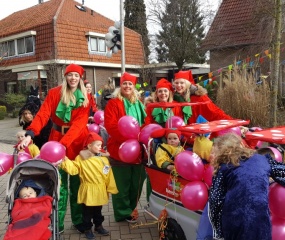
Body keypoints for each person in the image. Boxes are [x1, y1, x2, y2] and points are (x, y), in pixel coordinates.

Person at [17, 63, 91, 233]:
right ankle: (58, 223)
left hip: (77, 142)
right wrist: (30, 133)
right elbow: (43, 114)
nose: (73, 78)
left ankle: (78, 221)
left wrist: (63, 145)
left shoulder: (86, 97)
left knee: (78, 184)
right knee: (59, 184)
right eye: (70, 75)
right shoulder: (54, 93)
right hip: (56, 139)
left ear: (80, 78)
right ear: (65, 76)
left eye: (76, 75)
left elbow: (80, 124)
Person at [209, 133, 285, 240]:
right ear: (241, 145)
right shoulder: (262, 159)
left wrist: (218, 232)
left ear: (220, 152)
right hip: (259, 220)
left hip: (234, 222)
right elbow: (282, 172)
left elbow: (215, 201)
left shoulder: (223, 168)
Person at [104, 72, 147, 223]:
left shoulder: (139, 104)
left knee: (136, 183)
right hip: (120, 149)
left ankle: (131, 209)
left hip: (139, 150)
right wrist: (129, 140)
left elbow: (145, 123)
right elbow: (111, 126)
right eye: (124, 84)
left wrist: (140, 140)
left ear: (134, 87)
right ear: (120, 86)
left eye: (130, 84)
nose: (127, 86)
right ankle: (122, 212)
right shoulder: (113, 103)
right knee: (122, 184)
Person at [60, 132, 118, 239]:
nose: (100, 147)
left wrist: (110, 187)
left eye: (101, 145)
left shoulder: (103, 159)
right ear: (89, 145)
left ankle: (98, 226)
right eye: (98, 145)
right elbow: (74, 169)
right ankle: (87, 228)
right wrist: (65, 160)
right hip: (88, 190)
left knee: (98, 210)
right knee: (87, 211)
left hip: (100, 189)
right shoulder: (81, 158)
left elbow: (108, 174)